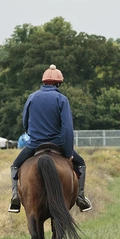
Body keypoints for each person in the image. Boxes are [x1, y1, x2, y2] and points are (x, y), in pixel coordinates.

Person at [8, 65, 92, 213]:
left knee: (15, 165)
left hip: (35, 144)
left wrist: (33, 135)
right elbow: (67, 128)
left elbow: (25, 122)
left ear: (43, 81)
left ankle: (15, 196)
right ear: (59, 83)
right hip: (58, 144)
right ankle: (80, 197)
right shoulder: (62, 99)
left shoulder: (32, 97)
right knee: (81, 165)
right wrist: (67, 151)